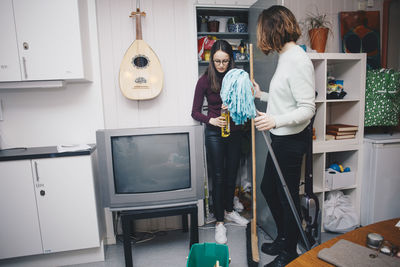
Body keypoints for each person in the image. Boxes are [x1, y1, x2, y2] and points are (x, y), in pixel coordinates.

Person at [253, 6, 316, 267]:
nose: (261, 38)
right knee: (270, 188)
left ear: (273, 29)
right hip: (281, 137)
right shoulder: (285, 56)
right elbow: (286, 100)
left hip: (291, 140)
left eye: (263, 32)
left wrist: (274, 120)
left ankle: (289, 251)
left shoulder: (299, 60)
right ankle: (284, 237)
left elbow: (307, 109)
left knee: (287, 197)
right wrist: (262, 96)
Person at [191, 39, 249, 244]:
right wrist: (211, 119)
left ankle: (229, 211)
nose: (221, 65)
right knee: (218, 176)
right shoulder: (205, 80)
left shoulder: (238, 78)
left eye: (225, 61)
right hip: (215, 133)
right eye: (217, 61)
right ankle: (219, 222)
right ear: (211, 60)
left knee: (232, 173)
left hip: (235, 132)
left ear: (231, 60)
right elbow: (195, 112)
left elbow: (246, 104)